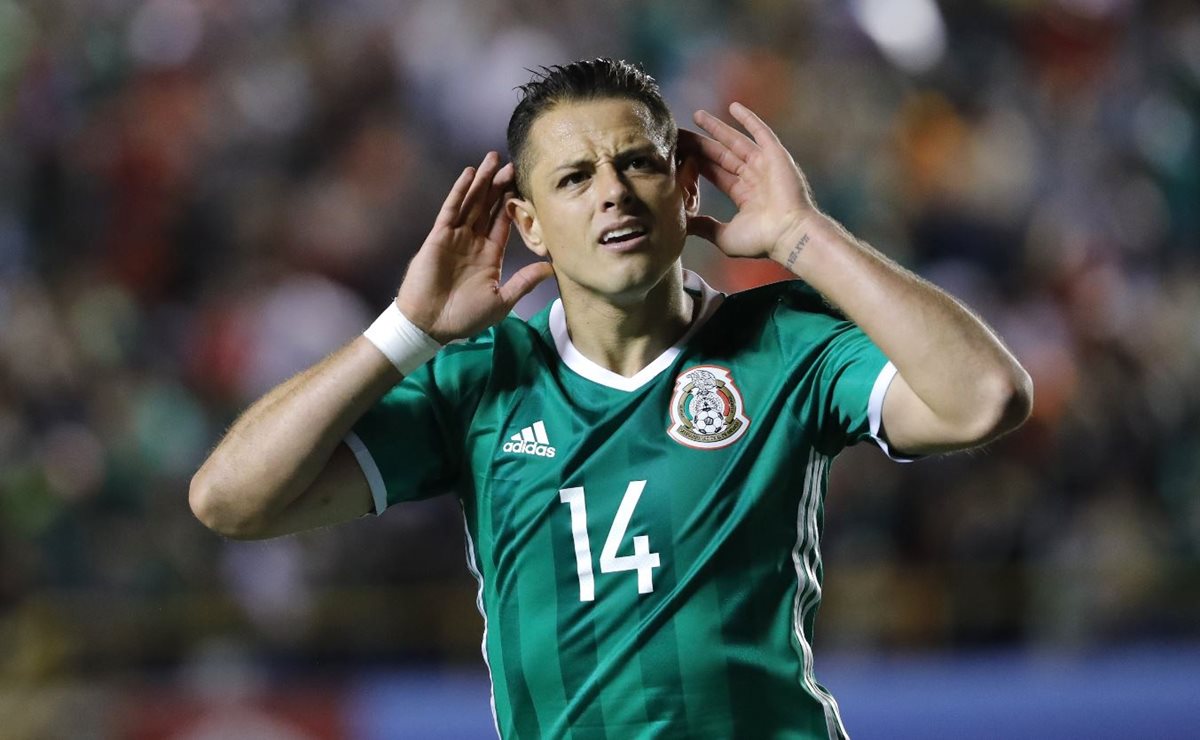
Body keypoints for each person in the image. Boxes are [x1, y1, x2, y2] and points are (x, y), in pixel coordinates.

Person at [190, 58, 1032, 739]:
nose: (613, 193)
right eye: (574, 178)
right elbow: (230, 500)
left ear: (688, 189)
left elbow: (985, 398)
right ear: (526, 223)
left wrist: (801, 236)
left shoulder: (783, 341)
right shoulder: (484, 381)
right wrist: (409, 328)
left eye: (639, 163)